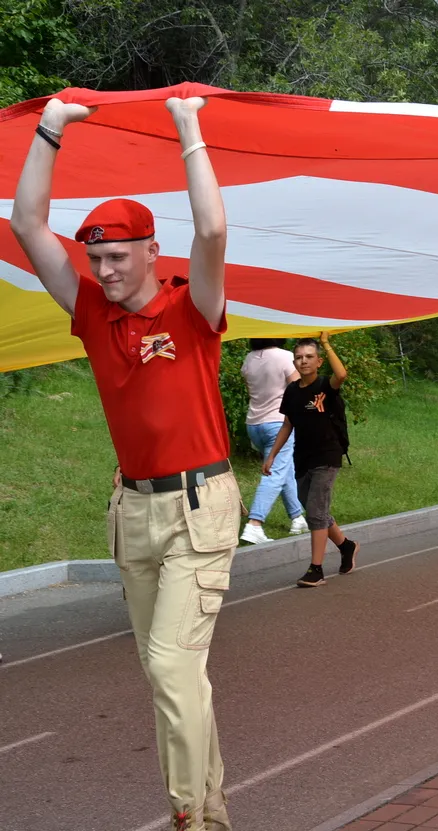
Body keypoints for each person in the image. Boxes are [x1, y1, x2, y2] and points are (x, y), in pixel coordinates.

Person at [11, 95, 237, 830]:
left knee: (172, 667)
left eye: (117, 257)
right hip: (134, 511)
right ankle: (212, 809)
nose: (105, 270)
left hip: (199, 506)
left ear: (151, 252)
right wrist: (51, 126)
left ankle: (189, 817)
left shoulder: (192, 309)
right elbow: (27, 224)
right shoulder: (91, 313)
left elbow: (213, 229)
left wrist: (187, 125)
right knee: (172, 674)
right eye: (96, 259)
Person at [265, 334, 359, 587]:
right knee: (314, 509)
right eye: (299, 357)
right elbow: (287, 424)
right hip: (303, 458)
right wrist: (272, 455)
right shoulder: (292, 391)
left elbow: (341, 374)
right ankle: (346, 546)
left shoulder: (326, 386)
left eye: (309, 357)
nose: (303, 361)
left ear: (319, 361)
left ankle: (316, 569)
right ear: (294, 362)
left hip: (327, 455)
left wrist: (326, 343)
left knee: (316, 513)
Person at [240, 338, 308, 544]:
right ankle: (254, 524)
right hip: (278, 424)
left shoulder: (249, 359)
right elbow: (300, 390)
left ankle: (297, 518)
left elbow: (250, 389)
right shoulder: (285, 357)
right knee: (275, 473)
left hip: (254, 425)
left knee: (284, 469)